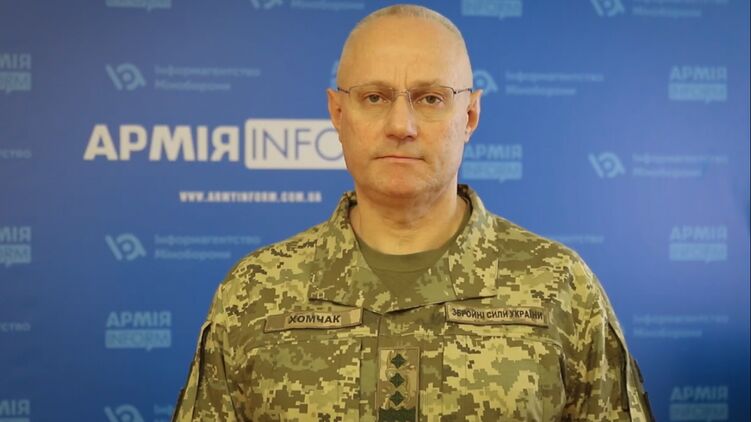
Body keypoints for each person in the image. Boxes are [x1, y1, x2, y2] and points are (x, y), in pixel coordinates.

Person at [172, 4, 654, 421]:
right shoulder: (254, 292)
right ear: (337, 113)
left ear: (469, 116)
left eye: (430, 99)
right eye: (374, 97)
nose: (401, 125)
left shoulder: (561, 286)